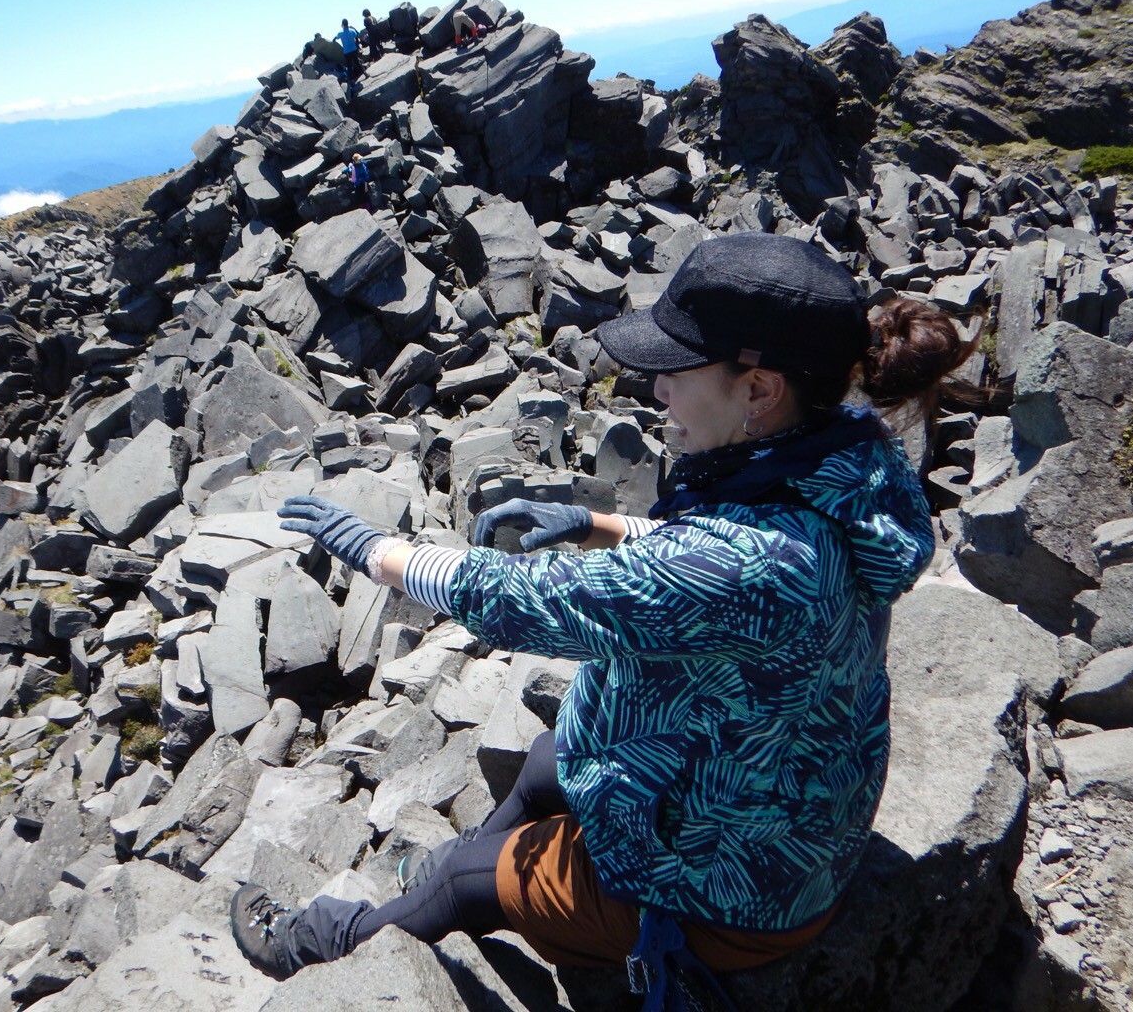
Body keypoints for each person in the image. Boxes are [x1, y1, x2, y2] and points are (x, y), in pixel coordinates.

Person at [230, 233, 975, 996]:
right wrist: (600, 526)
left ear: (759, 389)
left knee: (460, 879)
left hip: (733, 890)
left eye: (677, 370)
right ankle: (464, 868)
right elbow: (726, 555)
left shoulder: (756, 563)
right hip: (775, 801)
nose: (658, 391)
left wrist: (378, 551)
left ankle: (319, 941)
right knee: (548, 759)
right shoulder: (848, 459)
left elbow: (531, 600)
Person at [336, 18, 361, 82]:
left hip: (347, 52)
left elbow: (335, 38)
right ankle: (365, 74)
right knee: (357, 63)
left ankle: (352, 80)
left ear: (342, 25)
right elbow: (356, 36)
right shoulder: (352, 30)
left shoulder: (340, 33)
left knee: (349, 66)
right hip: (354, 49)